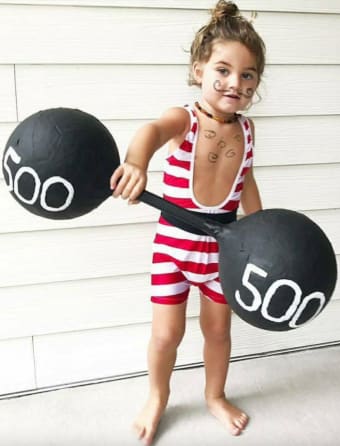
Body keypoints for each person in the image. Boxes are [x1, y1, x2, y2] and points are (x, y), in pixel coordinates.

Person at [109, 1, 265, 443]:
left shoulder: (248, 131)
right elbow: (151, 131)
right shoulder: (186, 119)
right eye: (223, 69)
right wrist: (136, 163)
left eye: (248, 74)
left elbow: (246, 180)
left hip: (224, 251)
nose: (235, 82)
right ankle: (157, 396)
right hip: (173, 250)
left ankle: (215, 396)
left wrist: (263, 234)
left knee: (218, 332)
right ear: (199, 70)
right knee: (166, 336)